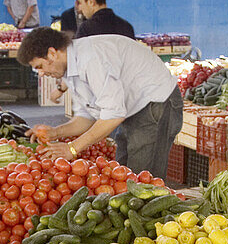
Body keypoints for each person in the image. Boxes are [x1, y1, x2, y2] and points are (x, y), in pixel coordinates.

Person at [18, 27, 183, 178]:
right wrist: (55, 132)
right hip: (133, 107)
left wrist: (72, 148)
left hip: (156, 103)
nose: (40, 74)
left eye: (39, 66)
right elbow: (86, 116)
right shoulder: (70, 68)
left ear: (52, 53)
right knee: (122, 171)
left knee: (142, 179)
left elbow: (113, 116)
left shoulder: (91, 59)